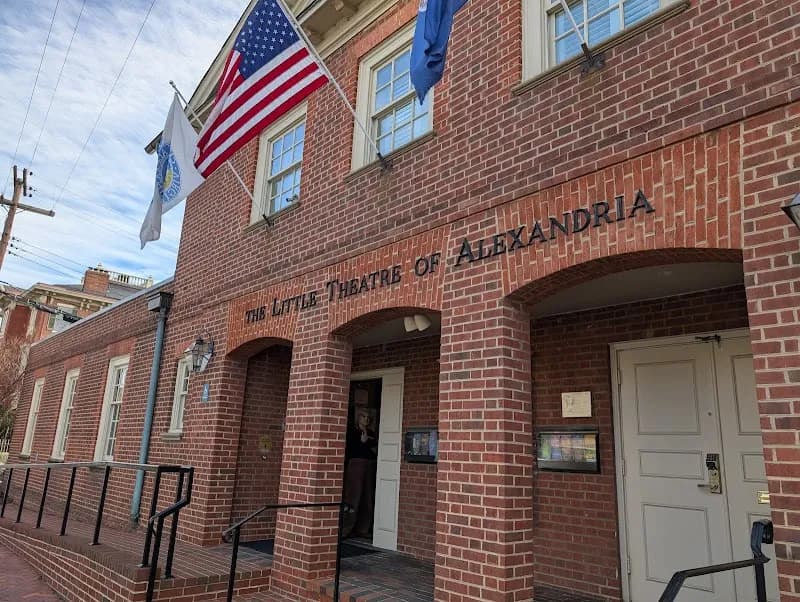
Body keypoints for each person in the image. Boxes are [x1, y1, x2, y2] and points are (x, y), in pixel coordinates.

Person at [342, 408, 378, 538]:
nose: (366, 419)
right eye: (363, 416)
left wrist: (367, 442)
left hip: (370, 464)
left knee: (368, 496)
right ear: (358, 417)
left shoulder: (371, 433)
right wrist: (363, 442)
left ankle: (364, 528)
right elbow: (350, 448)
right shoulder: (352, 432)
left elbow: (375, 448)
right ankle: (346, 528)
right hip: (356, 464)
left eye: (368, 417)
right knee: (353, 496)